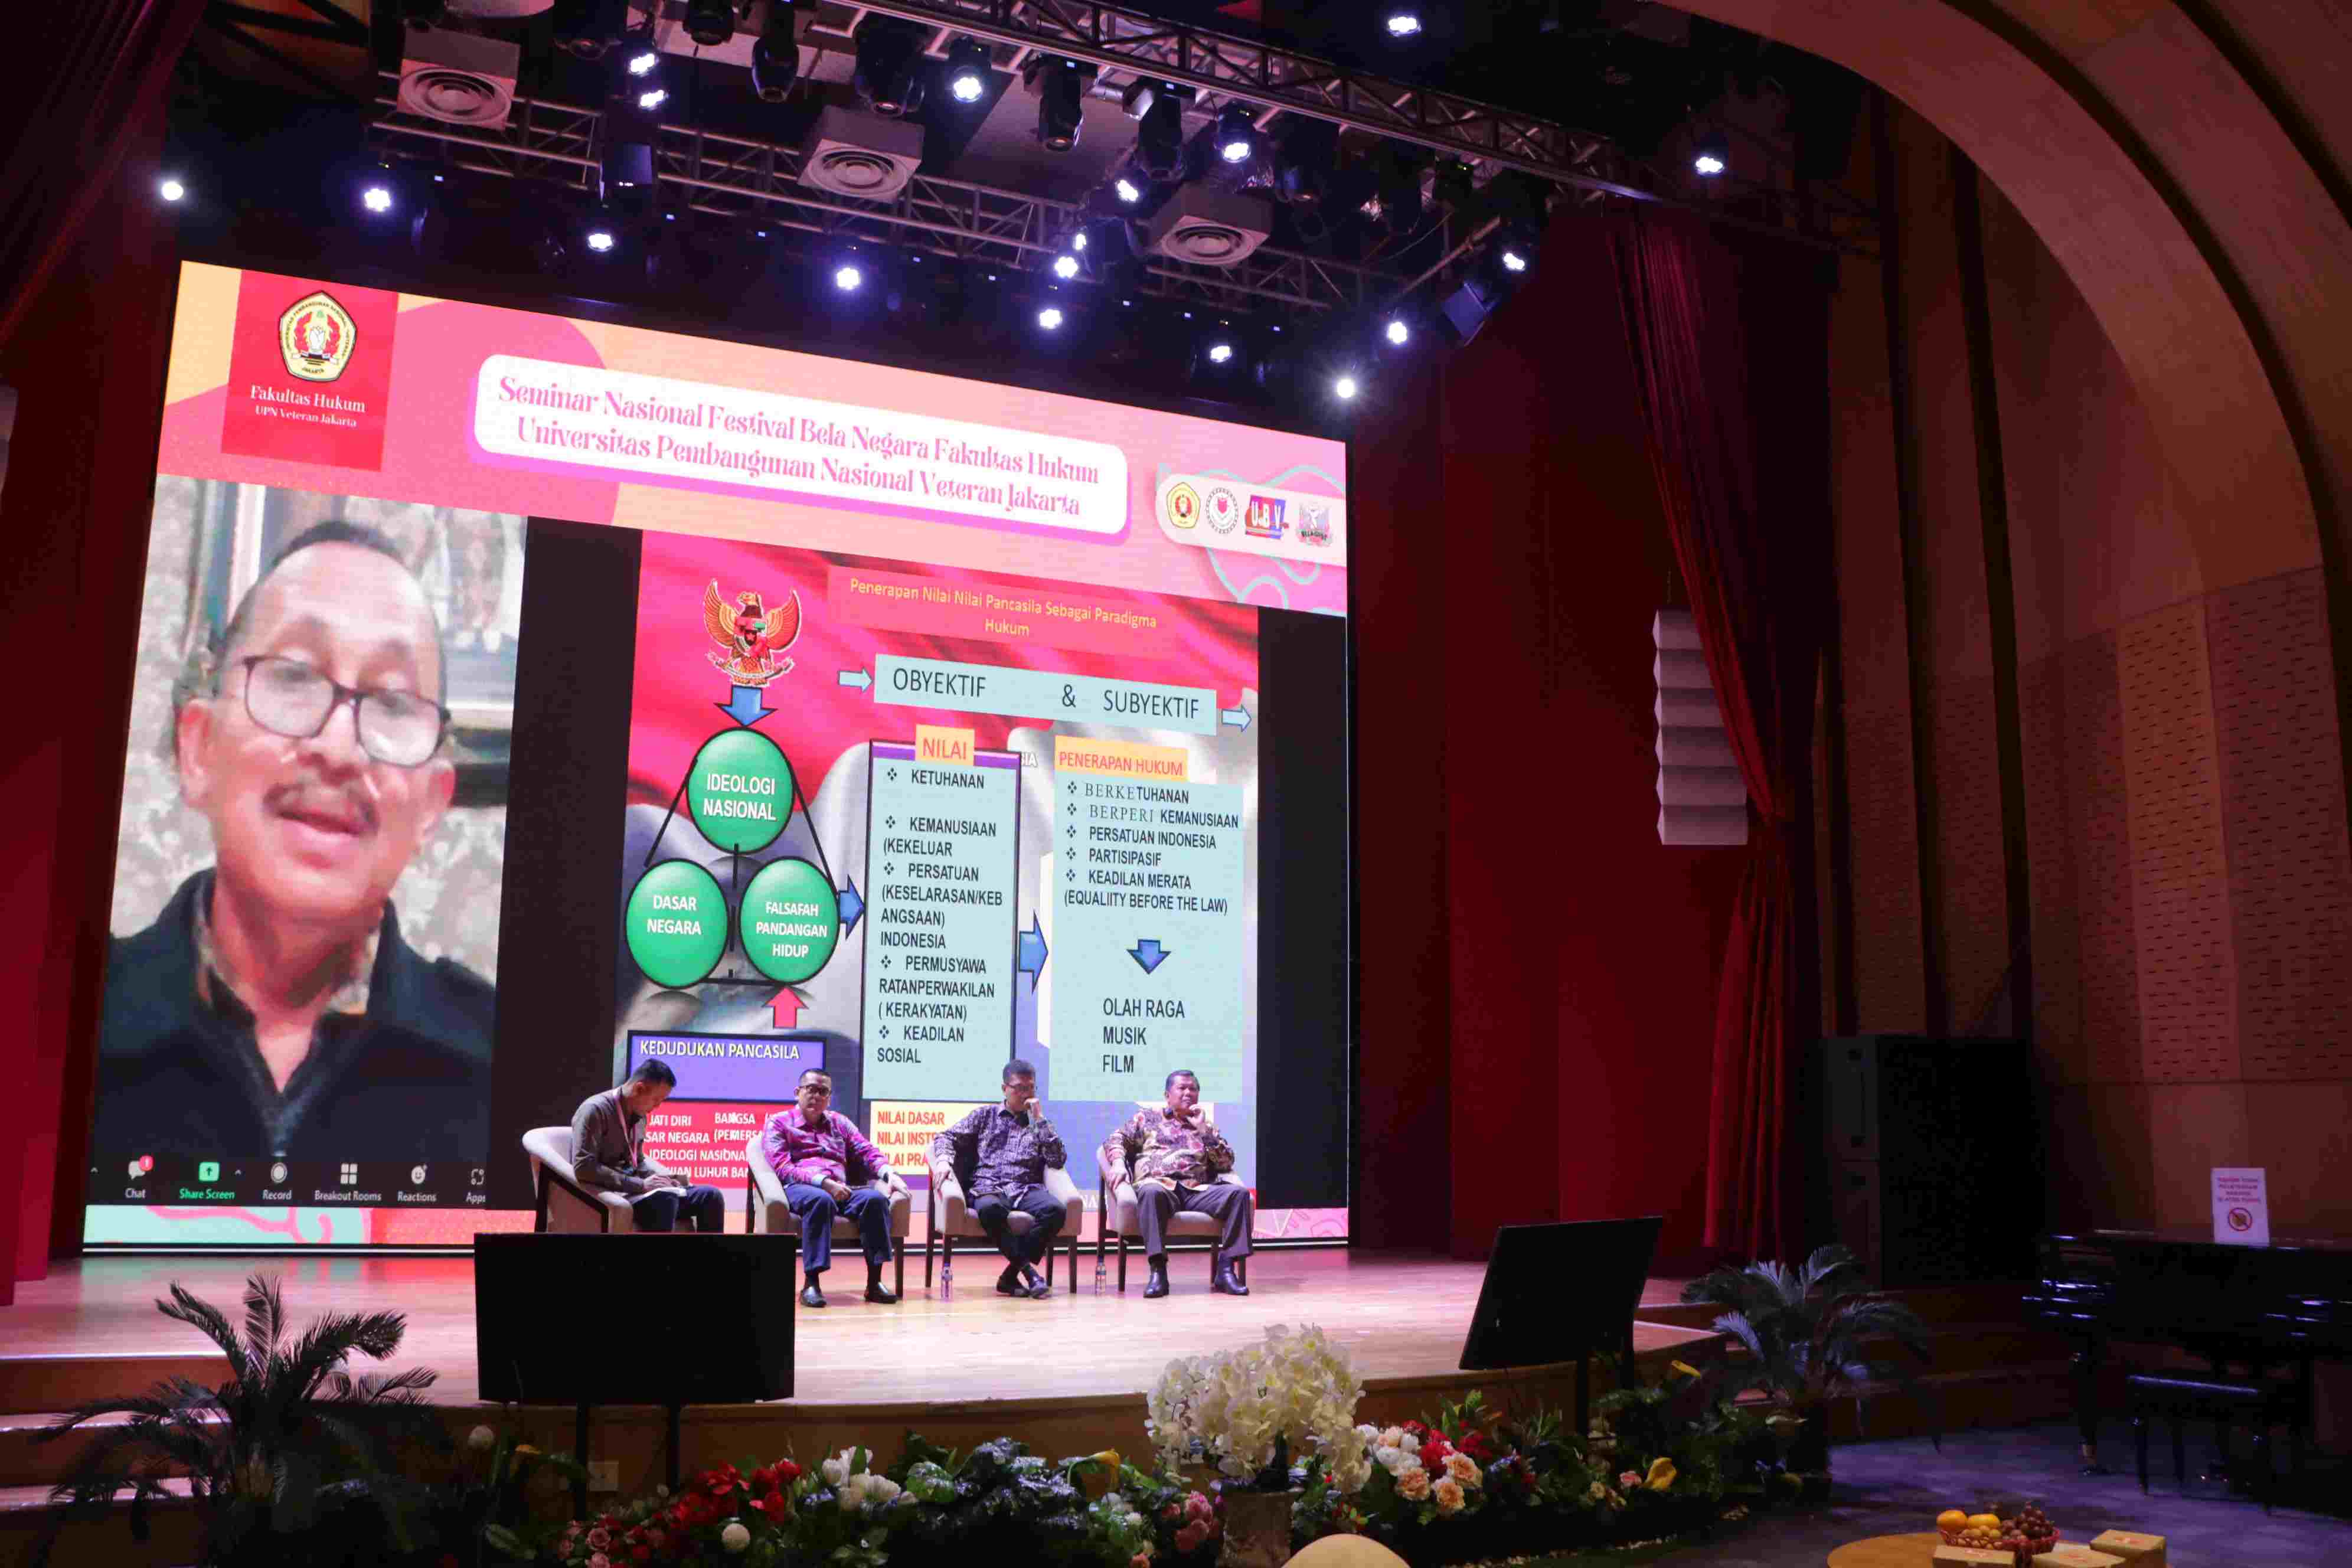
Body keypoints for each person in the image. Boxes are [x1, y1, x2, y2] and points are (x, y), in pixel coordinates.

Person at [94, 521, 493, 1166]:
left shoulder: (501, 1065)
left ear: (431, 805)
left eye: (393, 704)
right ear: (198, 748)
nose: (338, 748)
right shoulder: (56, 1028)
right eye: (294, 676)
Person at [758, 1067, 901, 1308]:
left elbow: (866, 1151)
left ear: (829, 1097)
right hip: (801, 1187)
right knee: (820, 1200)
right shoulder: (778, 1123)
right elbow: (782, 1167)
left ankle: (874, 1283)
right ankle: (811, 1283)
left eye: (822, 1092)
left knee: (875, 1200)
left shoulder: (840, 1123)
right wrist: (823, 1183)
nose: (816, 1096)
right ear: (797, 1092)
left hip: (842, 1187)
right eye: (811, 1089)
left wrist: (889, 1174)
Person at [1102, 1070, 1252, 1298]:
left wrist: (1204, 1132)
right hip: (1161, 1186)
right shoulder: (1147, 1119)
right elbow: (1116, 1139)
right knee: (1150, 1192)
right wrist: (1119, 1163)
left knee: (1239, 1195)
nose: (1188, 1093)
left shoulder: (1205, 1126)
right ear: (1167, 1095)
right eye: (1182, 1088)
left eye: (1193, 1089)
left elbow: (1226, 1162)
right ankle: (1158, 1271)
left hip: (1198, 1190)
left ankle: (1226, 1269)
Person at [929, 1059, 1066, 1300]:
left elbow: (1057, 1160)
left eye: (1031, 1088)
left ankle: (1010, 1276)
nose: (1026, 1094)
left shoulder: (1039, 1123)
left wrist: (1040, 1120)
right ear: (1005, 1089)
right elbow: (945, 1137)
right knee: (990, 1208)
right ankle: (1029, 1273)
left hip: (1025, 1188)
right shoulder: (985, 1116)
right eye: (1019, 1088)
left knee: (1056, 1210)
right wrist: (943, 1161)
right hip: (989, 1185)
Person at [569, 1060, 725, 1233]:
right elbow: (584, 1167)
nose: (658, 1106)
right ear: (639, 1089)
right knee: (665, 1200)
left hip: (639, 1191)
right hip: (614, 1194)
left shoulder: (640, 1116)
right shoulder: (595, 1110)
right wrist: (641, 1185)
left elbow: (638, 1161)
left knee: (711, 1196)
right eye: (656, 1100)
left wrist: (661, 1180)